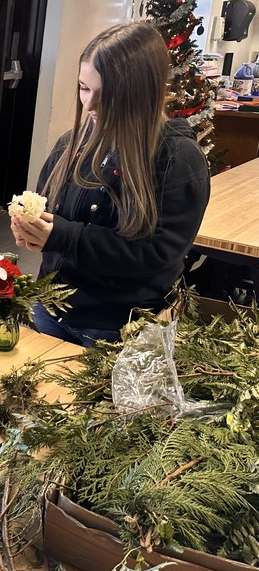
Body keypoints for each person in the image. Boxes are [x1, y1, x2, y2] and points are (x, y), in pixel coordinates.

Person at [11, 22, 210, 346]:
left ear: (140, 95)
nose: (88, 104)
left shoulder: (177, 160)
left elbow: (155, 253)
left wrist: (62, 236)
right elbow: (44, 206)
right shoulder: (71, 143)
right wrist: (31, 228)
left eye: (105, 95)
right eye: (84, 88)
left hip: (120, 332)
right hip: (50, 310)